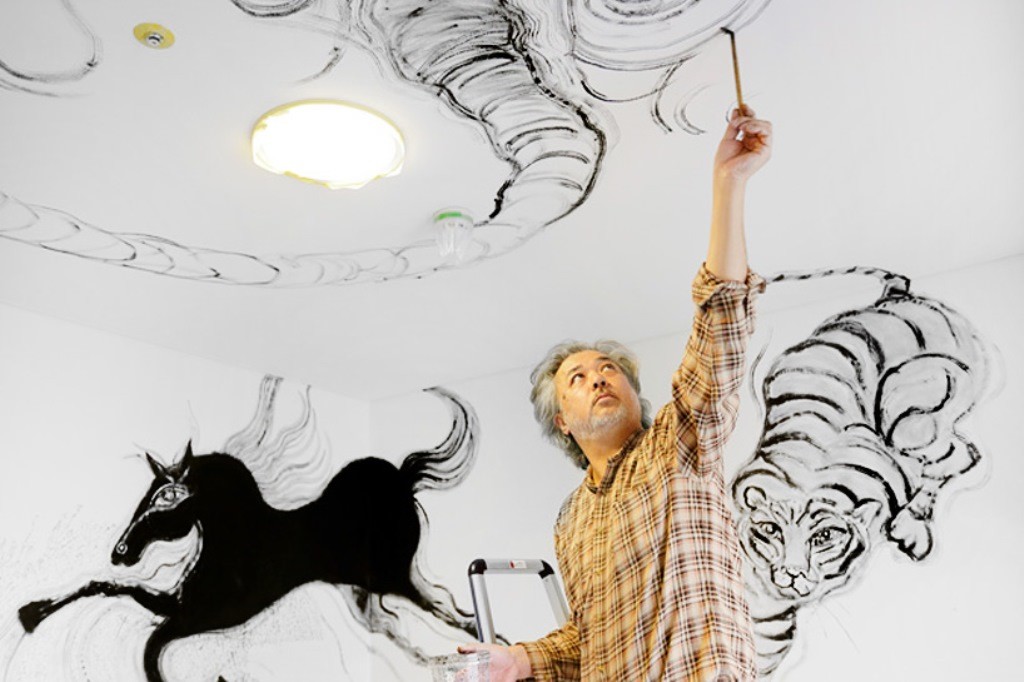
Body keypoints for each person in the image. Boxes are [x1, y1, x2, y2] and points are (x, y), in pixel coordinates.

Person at [459, 106, 772, 680]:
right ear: (563, 421)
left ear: (633, 393)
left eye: (608, 369)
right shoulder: (571, 521)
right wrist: (519, 659)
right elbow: (587, 637)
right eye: (576, 379)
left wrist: (728, 185)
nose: (598, 377)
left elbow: (719, 333)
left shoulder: (677, 447)